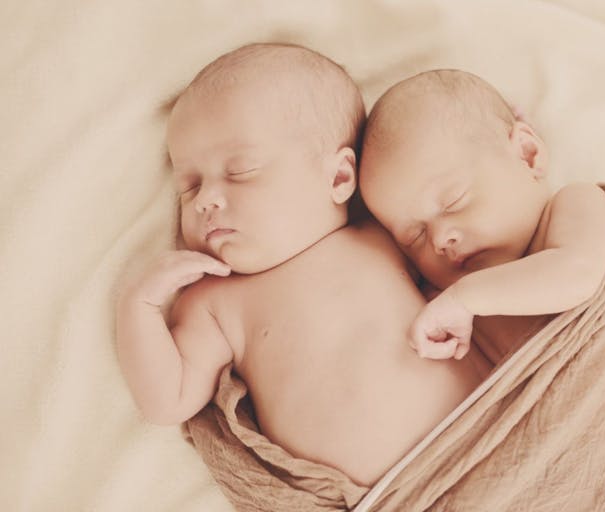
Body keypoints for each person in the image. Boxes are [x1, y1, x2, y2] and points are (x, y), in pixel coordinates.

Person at [115, 44, 490, 487]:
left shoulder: (382, 236)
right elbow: (168, 401)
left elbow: (475, 280)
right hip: (393, 497)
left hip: (492, 433)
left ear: (338, 178)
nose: (205, 200)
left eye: (240, 171)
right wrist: (137, 307)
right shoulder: (212, 301)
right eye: (189, 186)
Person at [358, 69, 605, 364]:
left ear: (527, 154)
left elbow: (578, 275)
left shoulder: (577, 202)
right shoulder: (459, 313)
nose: (440, 239)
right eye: (414, 236)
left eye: (453, 201)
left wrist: (464, 299)